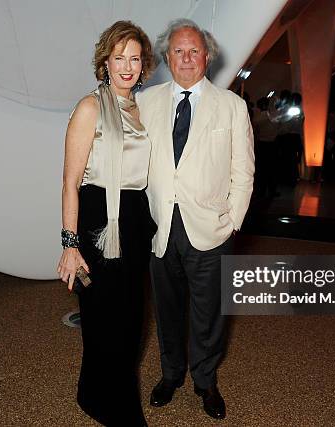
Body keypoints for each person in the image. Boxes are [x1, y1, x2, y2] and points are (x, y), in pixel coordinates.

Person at [137, 18, 254, 420]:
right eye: (178, 51)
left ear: (208, 56)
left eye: (194, 50)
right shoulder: (146, 102)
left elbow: (244, 171)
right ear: (167, 58)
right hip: (160, 228)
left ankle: (205, 380)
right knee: (167, 309)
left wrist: (233, 221)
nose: (186, 58)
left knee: (209, 313)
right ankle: (171, 374)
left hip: (211, 229)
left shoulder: (232, 106)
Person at [56, 21, 156, 427]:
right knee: (103, 318)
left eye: (134, 58)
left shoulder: (143, 108)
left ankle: (91, 393)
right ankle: (121, 410)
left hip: (135, 220)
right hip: (99, 221)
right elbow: (69, 180)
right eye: (120, 58)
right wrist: (69, 242)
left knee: (131, 319)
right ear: (105, 62)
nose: (127, 66)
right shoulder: (90, 107)